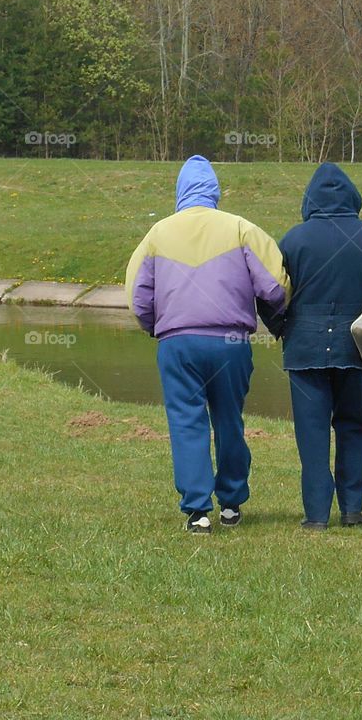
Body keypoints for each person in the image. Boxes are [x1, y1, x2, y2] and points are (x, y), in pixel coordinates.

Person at [126, 155, 289, 534]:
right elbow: (274, 286)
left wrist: (157, 328)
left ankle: (198, 511)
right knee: (229, 419)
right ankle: (231, 504)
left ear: (179, 191)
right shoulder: (242, 229)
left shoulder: (157, 234)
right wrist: (277, 311)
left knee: (186, 422)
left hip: (178, 342)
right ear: (215, 190)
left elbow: (138, 297)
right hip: (230, 341)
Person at [278, 163, 362, 529]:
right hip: (355, 348)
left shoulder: (293, 239)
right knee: (352, 426)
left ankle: (316, 516)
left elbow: (270, 294)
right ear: (352, 195)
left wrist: (283, 329)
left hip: (304, 349)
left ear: (309, 198)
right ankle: (352, 509)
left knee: (312, 432)